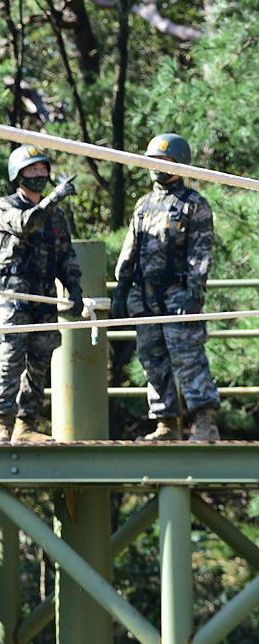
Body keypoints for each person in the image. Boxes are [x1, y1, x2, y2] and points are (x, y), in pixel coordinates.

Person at [112, 133, 220, 442]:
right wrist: (122, 288)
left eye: (164, 160)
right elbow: (130, 248)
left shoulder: (194, 205)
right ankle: (166, 424)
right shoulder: (144, 204)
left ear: (180, 164)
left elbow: (201, 253)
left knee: (188, 357)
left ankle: (204, 423)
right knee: (151, 359)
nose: (156, 166)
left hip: (179, 293)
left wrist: (194, 294)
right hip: (144, 297)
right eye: (153, 160)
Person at [0, 145, 83, 444]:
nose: (40, 175)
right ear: (18, 175)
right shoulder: (4, 206)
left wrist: (75, 286)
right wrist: (55, 198)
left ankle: (25, 425)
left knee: (40, 359)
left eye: (43, 169)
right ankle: (1, 425)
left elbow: (66, 254)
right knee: (11, 356)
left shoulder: (57, 217)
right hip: (16, 293)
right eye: (33, 170)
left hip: (45, 292)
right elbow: (25, 224)